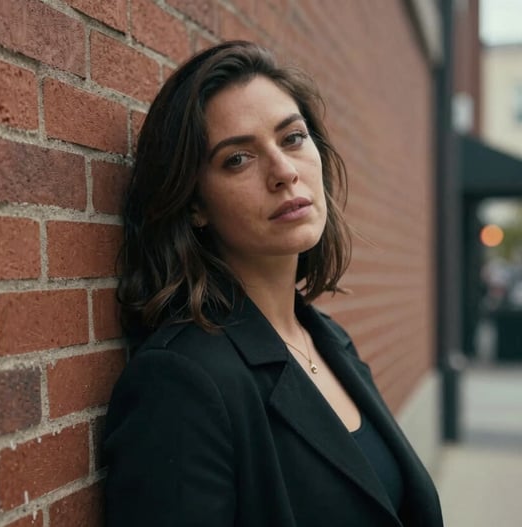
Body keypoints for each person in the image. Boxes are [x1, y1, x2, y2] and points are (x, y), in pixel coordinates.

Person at [102, 41, 443, 527]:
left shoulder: (330, 341)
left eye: (293, 138)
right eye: (237, 159)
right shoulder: (181, 383)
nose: (284, 172)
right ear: (194, 205)